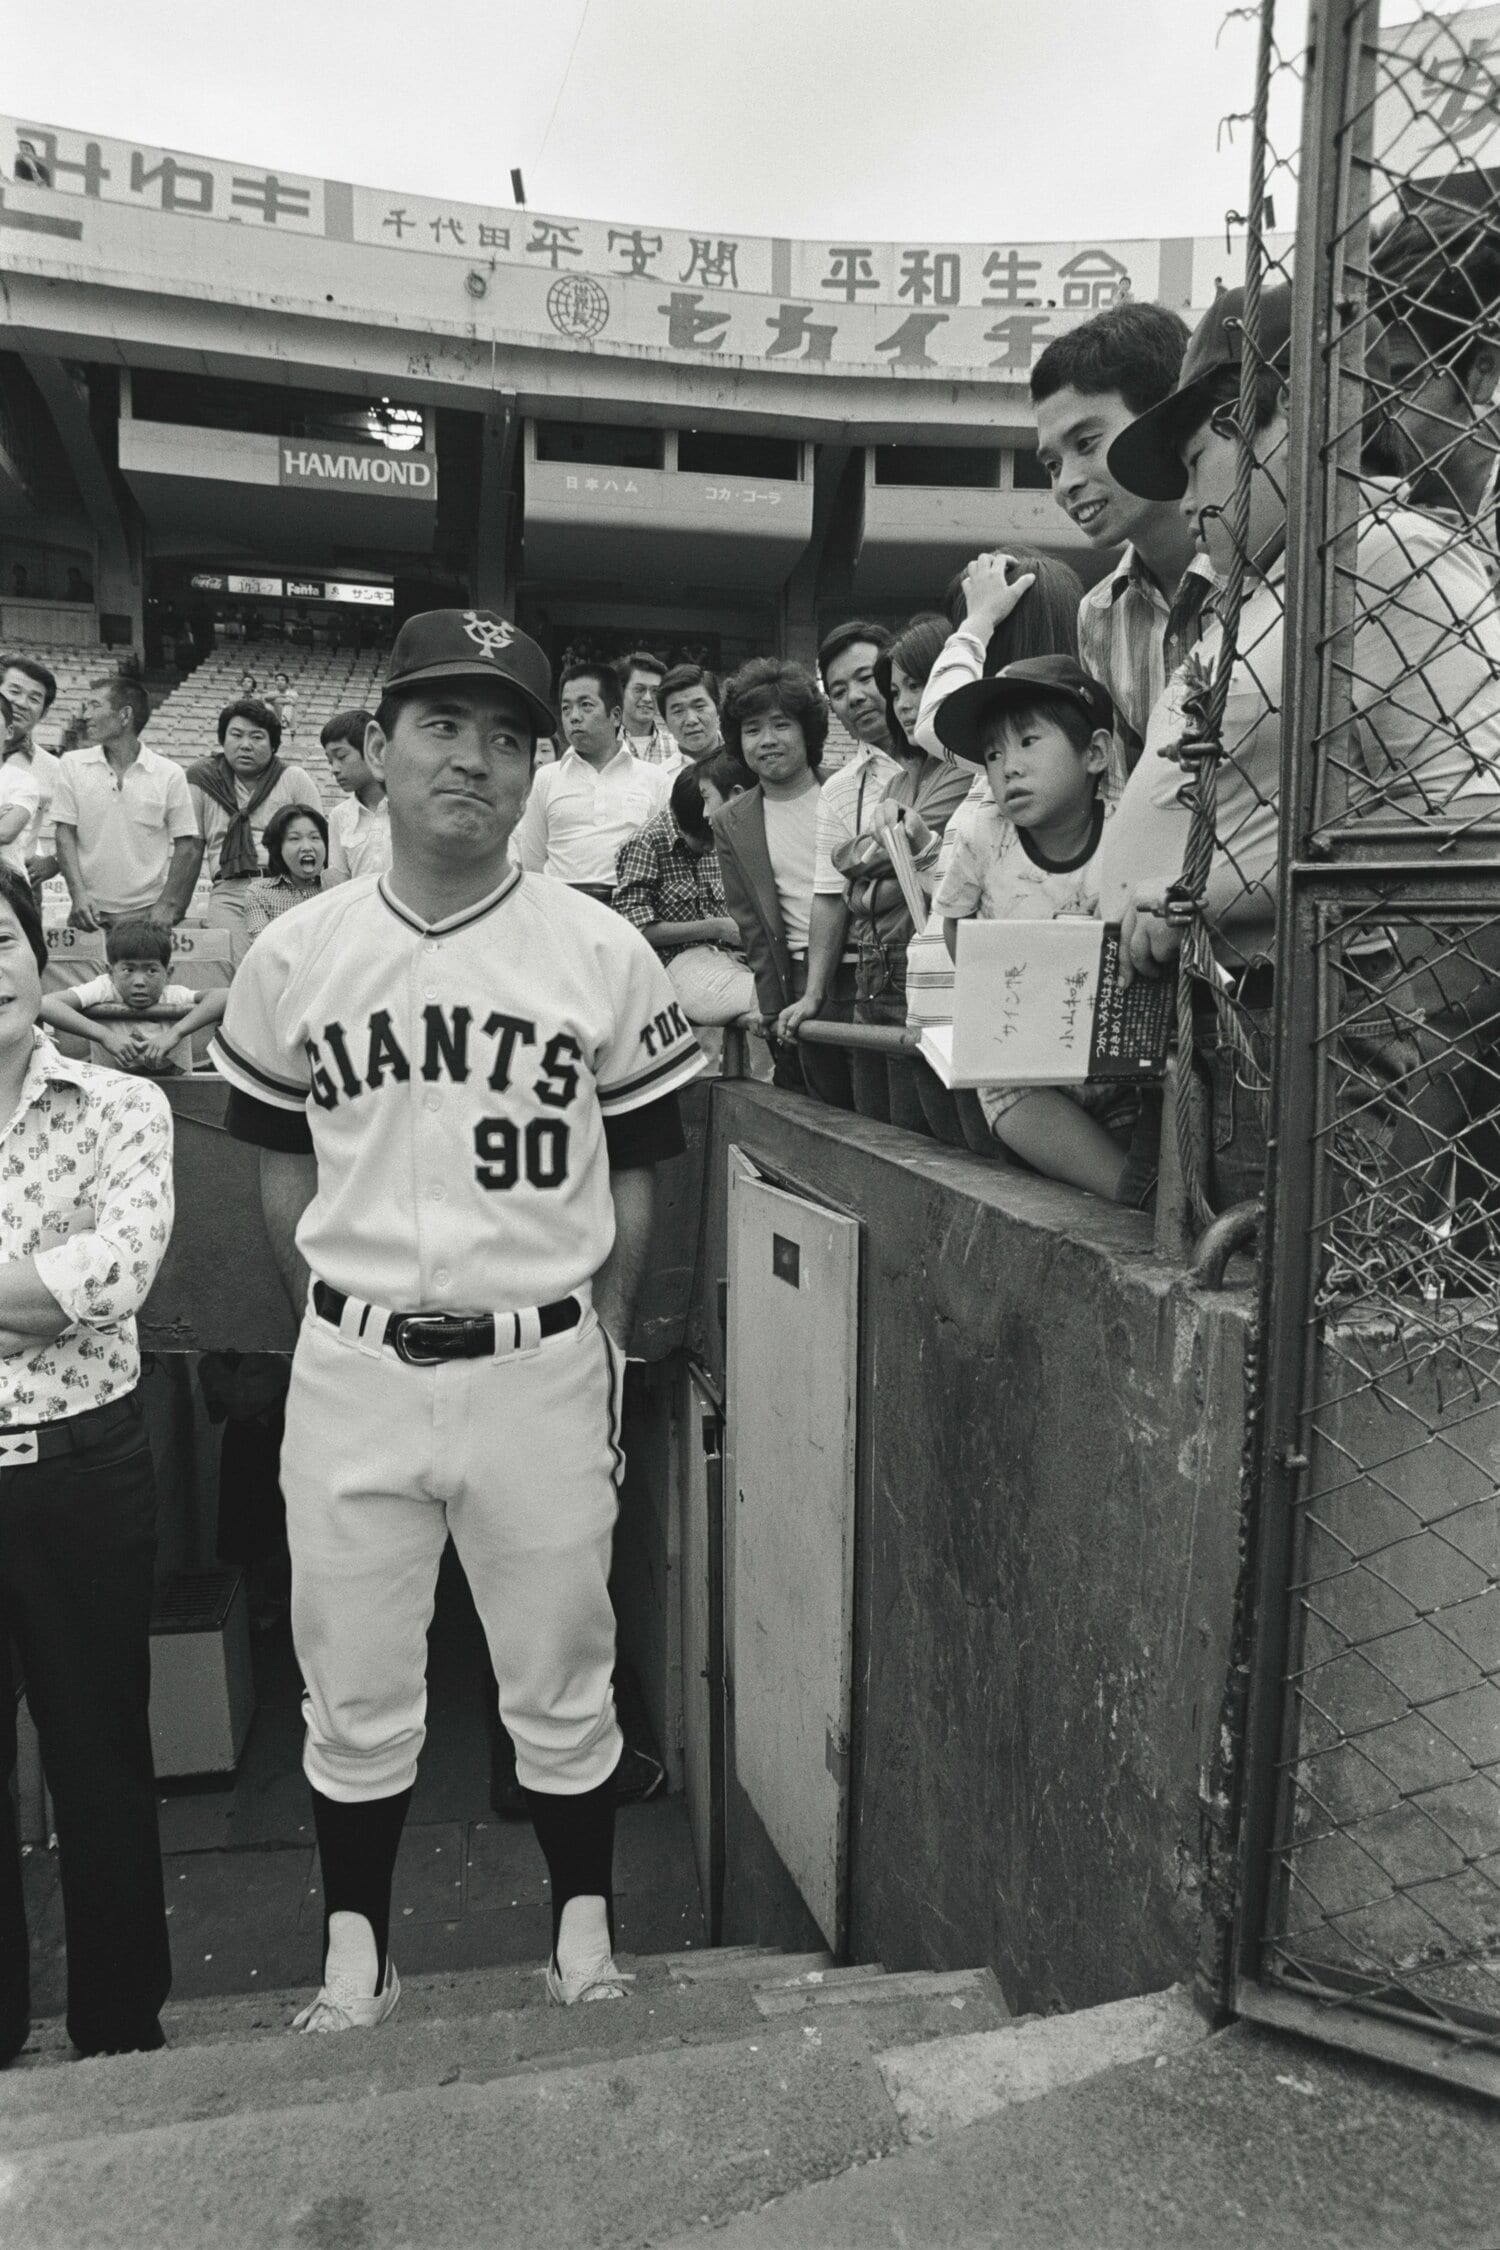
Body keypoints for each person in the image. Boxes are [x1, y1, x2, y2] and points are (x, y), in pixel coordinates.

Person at [207, 608, 704, 2031]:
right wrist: (332, 1307)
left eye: (508, 736)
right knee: (353, 1677)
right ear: (378, 746)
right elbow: (276, 1160)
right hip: (356, 1361)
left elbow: (639, 1170)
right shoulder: (297, 950)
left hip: (539, 1353)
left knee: (563, 1666)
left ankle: (583, 1934)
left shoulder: (600, 951)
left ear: (537, 767)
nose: (475, 761)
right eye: (444, 725)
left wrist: (599, 1330)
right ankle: (358, 1946)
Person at [1104, 281, 1500, 1204]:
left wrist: (1208, 893)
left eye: (1198, 456)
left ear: (1269, 413)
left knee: (1279, 1317)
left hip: (1320, 1037)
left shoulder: (1379, 556)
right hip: (1228, 1031)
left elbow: (1476, 818)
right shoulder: (1266, 593)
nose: (1190, 496)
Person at [0, 863, 174, 2066]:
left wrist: (58, 1295)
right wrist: (37, 1296)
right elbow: (58, 1291)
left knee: (100, 1752)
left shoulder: (120, 1105)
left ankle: (119, 2028)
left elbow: (112, 1278)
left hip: (82, 1465)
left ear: (37, 951)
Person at [932, 658, 1153, 1204]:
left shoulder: (1130, 829)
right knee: (1130, 1192)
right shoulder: (983, 836)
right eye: (993, 753)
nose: (1009, 767)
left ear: (1095, 753)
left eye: (1029, 741)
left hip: (1118, 1067)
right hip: (1020, 1076)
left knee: (1158, 1190)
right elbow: (957, 926)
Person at [1030, 302, 1217, 767]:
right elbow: (1123, 790)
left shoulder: (1270, 574)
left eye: (1086, 444)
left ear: (1165, 419)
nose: (1065, 483)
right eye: (1052, 465)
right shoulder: (1097, 618)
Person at [832, 618, 974, 1131]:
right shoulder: (903, 774)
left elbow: (901, 850)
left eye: (918, 683)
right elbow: (845, 860)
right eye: (896, 691)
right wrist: (879, 862)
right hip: (879, 962)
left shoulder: (965, 771)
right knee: (875, 1126)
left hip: (926, 964)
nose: (905, 703)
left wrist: (874, 863)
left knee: (930, 1133)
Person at [774, 623, 897, 1109]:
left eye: (868, 678)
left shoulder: (958, 758)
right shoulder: (843, 788)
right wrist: (814, 994)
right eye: (840, 690)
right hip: (880, 977)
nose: (857, 697)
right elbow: (829, 895)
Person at [715, 659, 841, 1098]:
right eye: (752, 729)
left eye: (780, 725)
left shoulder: (844, 793)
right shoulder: (731, 820)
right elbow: (750, 923)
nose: (767, 741)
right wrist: (772, 1010)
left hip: (860, 969)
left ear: (807, 730)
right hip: (796, 975)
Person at [51, 670, 201, 930]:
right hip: (88, 913)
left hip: (147, 914)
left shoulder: (169, 773)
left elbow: (186, 846)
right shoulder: (71, 764)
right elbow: (64, 835)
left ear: (125, 715)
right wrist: (78, 896)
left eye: (95, 706)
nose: (85, 715)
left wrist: (167, 904)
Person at [612, 758, 757, 1027]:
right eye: (704, 841)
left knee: (776, 995)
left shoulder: (721, 831)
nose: (711, 849)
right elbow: (635, 931)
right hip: (672, 964)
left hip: (730, 957)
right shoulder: (646, 844)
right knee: (755, 997)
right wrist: (715, 928)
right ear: (680, 822)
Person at [510, 662, 671, 900]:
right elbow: (533, 860)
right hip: (560, 907)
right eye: (566, 708)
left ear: (615, 716)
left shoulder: (654, 779)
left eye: (586, 705)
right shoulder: (546, 778)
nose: (574, 717)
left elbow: (665, 858)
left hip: (630, 910)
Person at [187, 698, 322, 962]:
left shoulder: (293, 778)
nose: (245, 745)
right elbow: (191, 845)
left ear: (273, 745)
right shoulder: (201, 780)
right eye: (236, 735)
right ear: (222, 740)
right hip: (228, 892)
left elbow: (317, 845)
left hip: (286, 887)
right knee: (241, 976)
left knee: (290, 970)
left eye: (257, 737)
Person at [39, 916, 200, 1076]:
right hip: (109, 1094)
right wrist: (105, 1036)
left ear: (168, 973)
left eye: (151, 970)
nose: (139, 982)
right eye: (128, 970)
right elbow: (45, 1004)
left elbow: (222, 998)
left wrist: (176, 1033)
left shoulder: (174, 995)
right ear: (110, 972)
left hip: (178, 1093)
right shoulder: (104, 988)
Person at [0, 656, 61, 888]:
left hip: (15, 887)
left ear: (43, 713)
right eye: (14, 691)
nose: (22, 703)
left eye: (34, 699)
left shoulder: (52, 767)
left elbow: (88, 823)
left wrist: (56, 861)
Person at [322, 709, 390, 884]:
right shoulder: (339, 816)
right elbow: (339, 882)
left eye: (341, 756)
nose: (334, 769)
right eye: (330, 761)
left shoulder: (409, 805)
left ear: (372, 750)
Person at [243, 805, 329, 942]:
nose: (307, 847)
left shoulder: (339, 888)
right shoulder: (259, 893)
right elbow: (264, 948)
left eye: (315, 837)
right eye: (294, 839)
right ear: (278, 848)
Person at [618, 653, 680, 767]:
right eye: (639, 689)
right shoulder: (600, 747)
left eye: (655, 691)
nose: (647, 698)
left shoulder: (677, 749)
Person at [658, 664, 723, 764]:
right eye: (678, 711)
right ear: (666, 721)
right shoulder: (661, 777)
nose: (691, 720)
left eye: (699, 707)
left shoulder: (747, 762)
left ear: (718, 708)